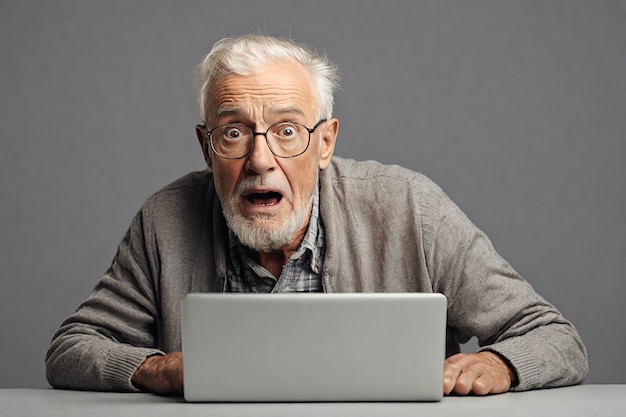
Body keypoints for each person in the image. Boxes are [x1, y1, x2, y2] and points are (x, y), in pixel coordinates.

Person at [45, 34, 588, 396]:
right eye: (234, 133)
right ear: (206, 147)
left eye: (287, 131)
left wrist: (502, 365)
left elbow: (555, 337)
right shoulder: (165, 220)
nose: (261, 160)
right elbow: (72, 348)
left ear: (325, 142)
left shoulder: (409, 207)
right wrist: (156, 367)